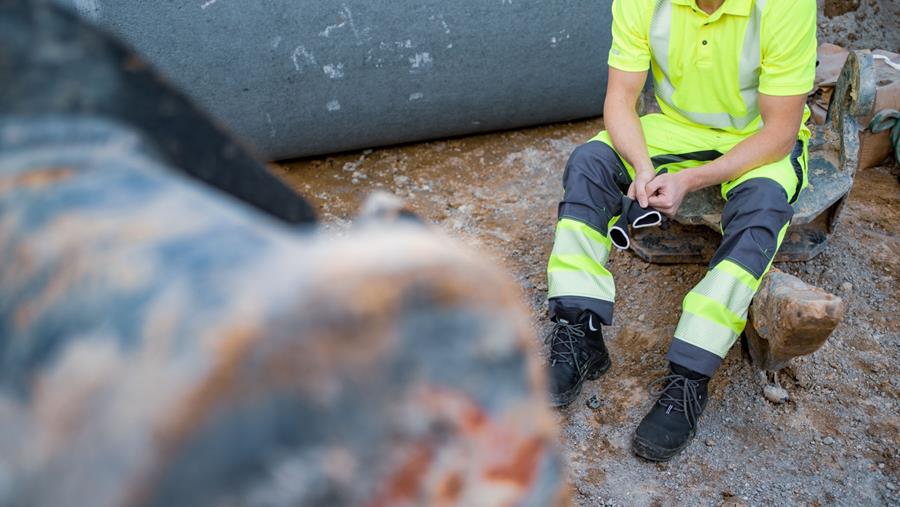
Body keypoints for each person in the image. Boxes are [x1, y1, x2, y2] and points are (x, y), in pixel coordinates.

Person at [544, 0, 817, 461]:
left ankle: (689, 377)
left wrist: (691, 180)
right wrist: (643, 167)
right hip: (674, 129)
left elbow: (781, 133)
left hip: (756, 141)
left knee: (762, 208)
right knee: (590, 163)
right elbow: (620, 99)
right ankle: (578, 331)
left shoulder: (786, 5)